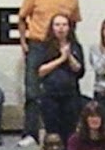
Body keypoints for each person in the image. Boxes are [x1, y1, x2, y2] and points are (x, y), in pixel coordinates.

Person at [18, 0, 81, 146]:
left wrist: (69, 44)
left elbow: (74, 22)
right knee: (32, 90)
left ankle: (65, 134)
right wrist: (23, 42)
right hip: (38, 44)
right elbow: (22, 18)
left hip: (61, 43)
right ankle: (31, 133)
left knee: (66, 87)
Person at [35, 13, 85, 141]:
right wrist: (61, 59)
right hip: (50, 96)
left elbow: (79, 70)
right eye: (57, 25)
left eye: (64, 25)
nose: (61, 28)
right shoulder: (44, 46)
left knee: (70, 131)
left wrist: (68, 56)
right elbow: (40, 71)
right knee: (53, 131)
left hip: (71, 95)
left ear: (69, 28)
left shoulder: (75, 46)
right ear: (52, 28)